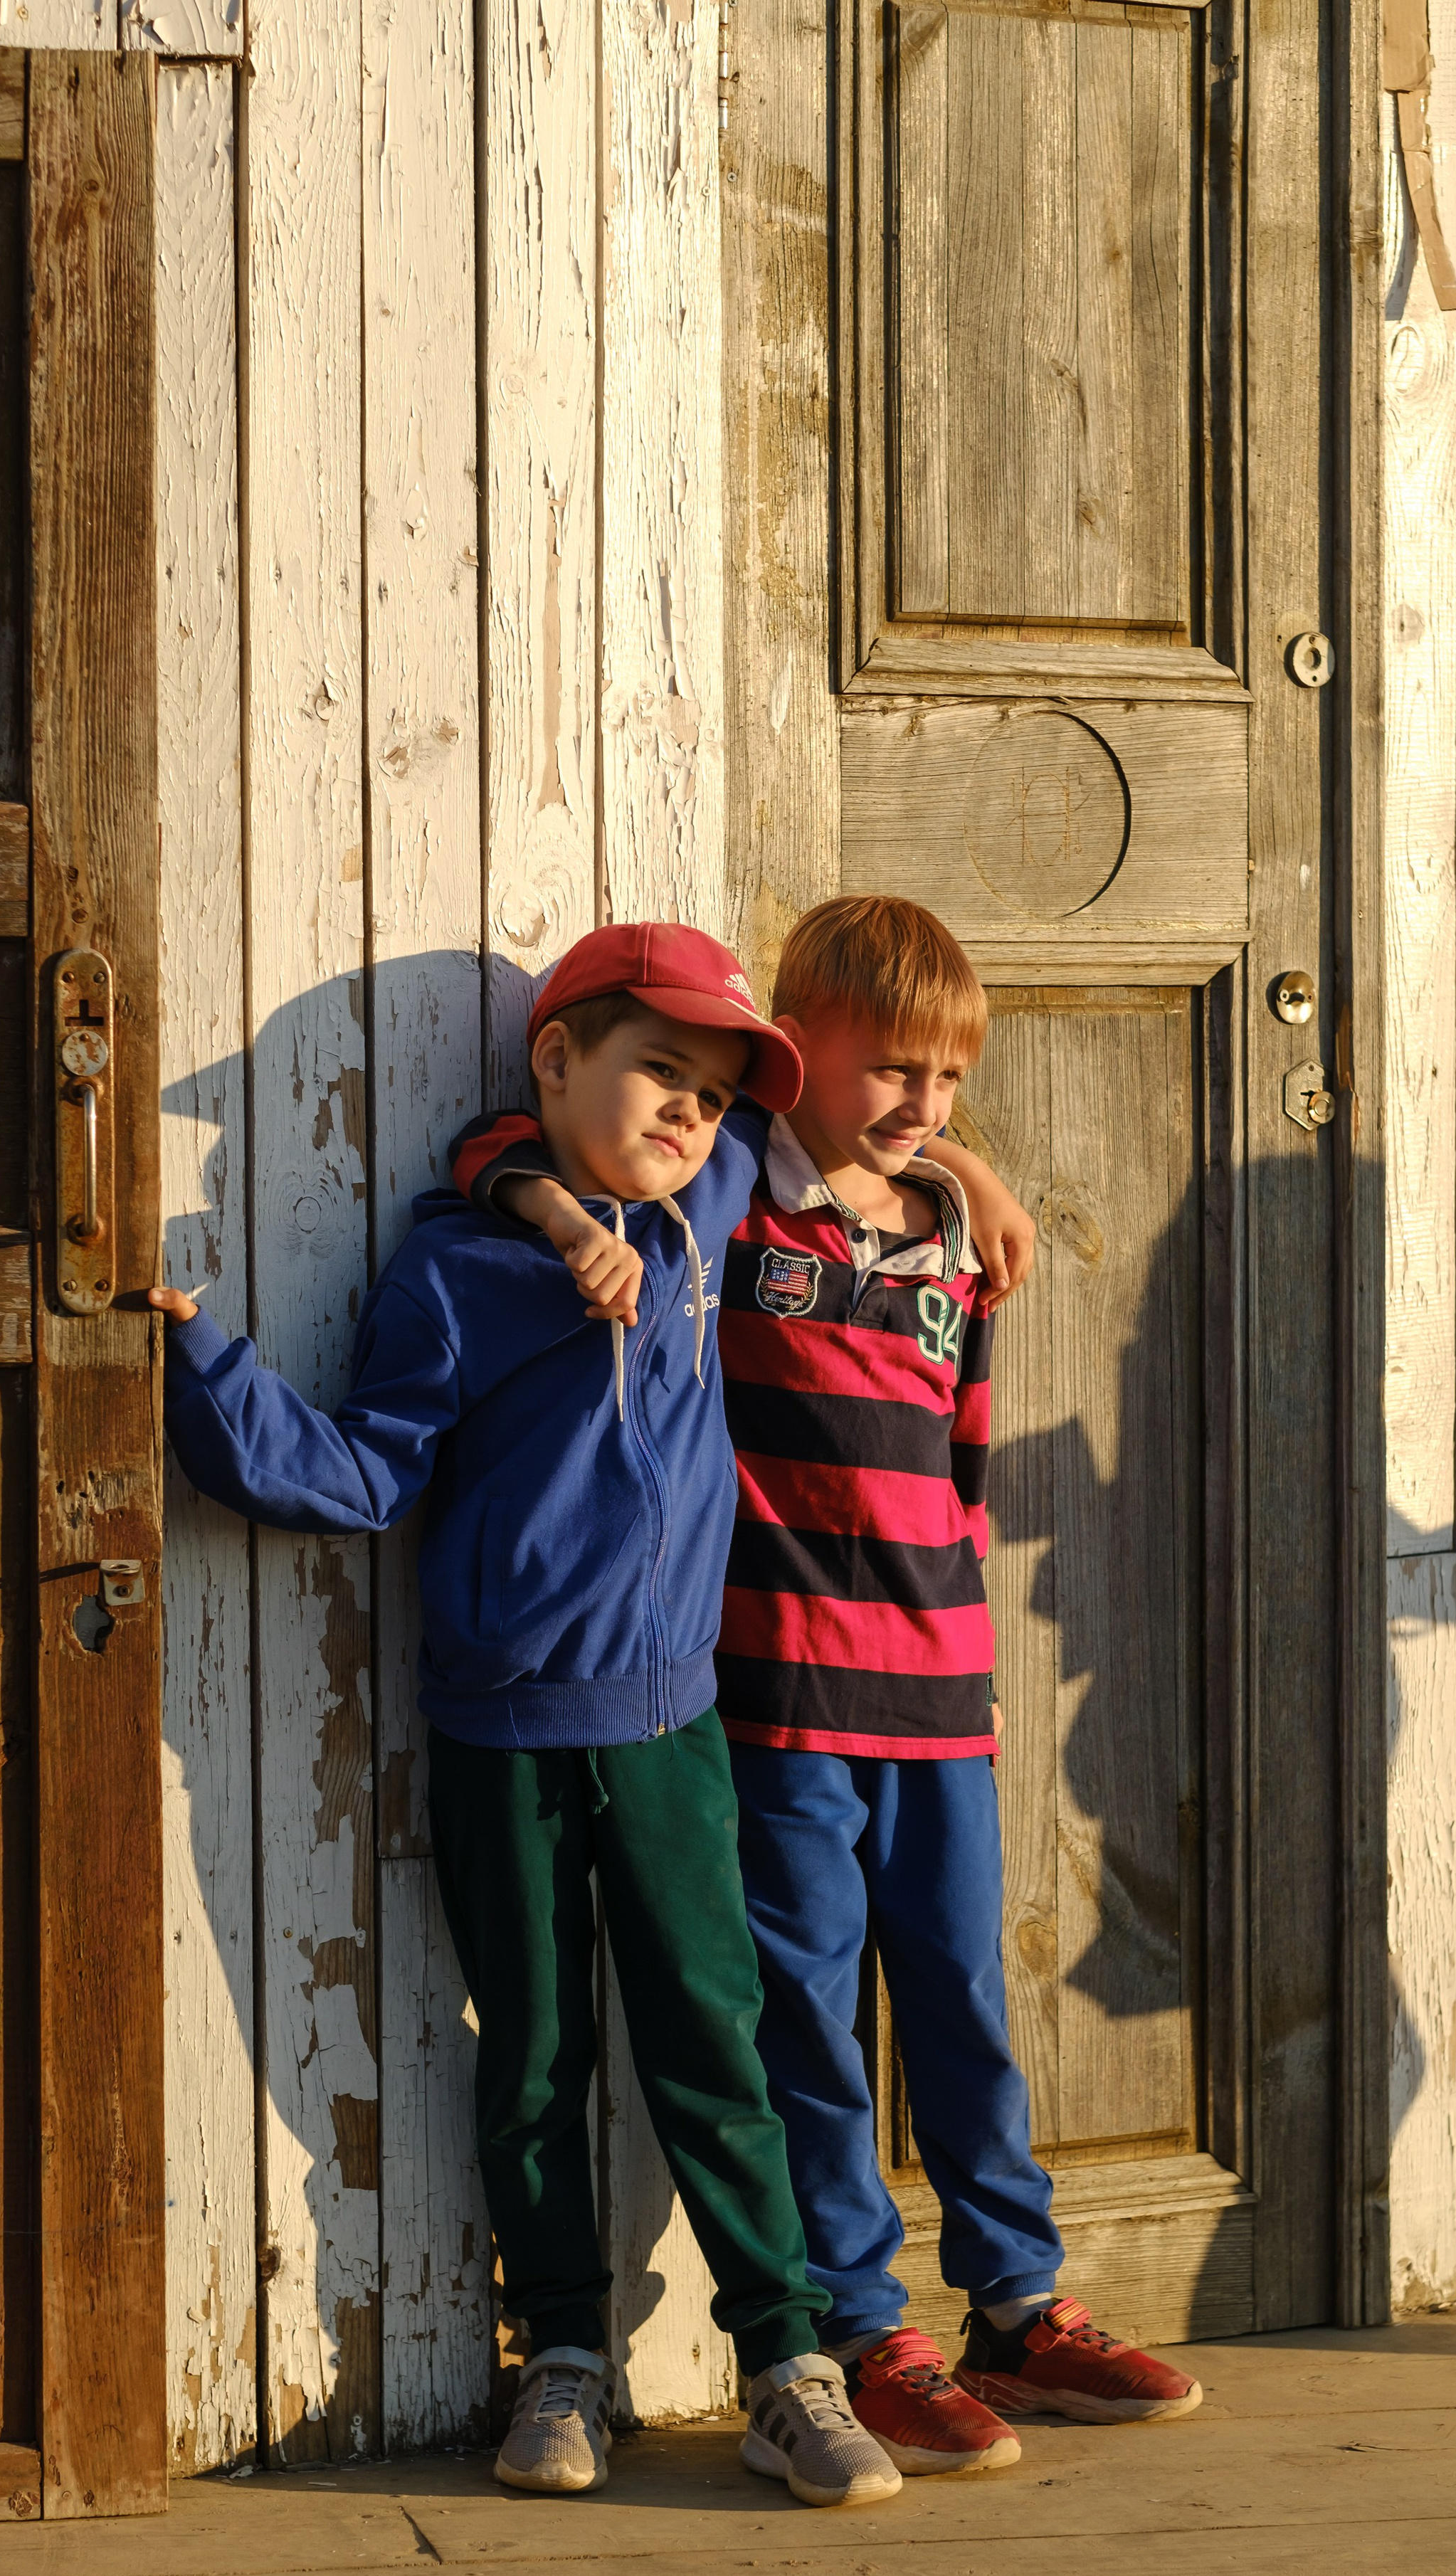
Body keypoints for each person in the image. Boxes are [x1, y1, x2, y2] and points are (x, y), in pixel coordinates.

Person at [153, 922, 1022, 2511]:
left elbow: (849, 1135)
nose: (692, 1113)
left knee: (715, 2043)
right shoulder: (453, 1275)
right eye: (658, 1073)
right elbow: (364, 1469)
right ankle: (563, 2354)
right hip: (499, 1734)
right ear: (554, 1061)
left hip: (674, 1730)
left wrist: (972, 1172)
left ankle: (787, 2362)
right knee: (535, 2059)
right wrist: (200, 1358)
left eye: (713, 1093)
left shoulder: (709, 1209)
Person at [462, 897, 1202, 2481]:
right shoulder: (730, 1198)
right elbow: (506, 1147)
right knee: (807, 2021)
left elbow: (959, 1468)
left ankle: (1017, 2307)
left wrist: (968, 1172)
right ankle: (866, 2334)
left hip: (936, 1697)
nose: (922, 1105)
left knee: (962, 2001)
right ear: (796, 1059)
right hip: (781, 1704)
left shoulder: (950, 1242)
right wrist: (546, 1208)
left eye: (950, 1080)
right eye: (890, 1072)